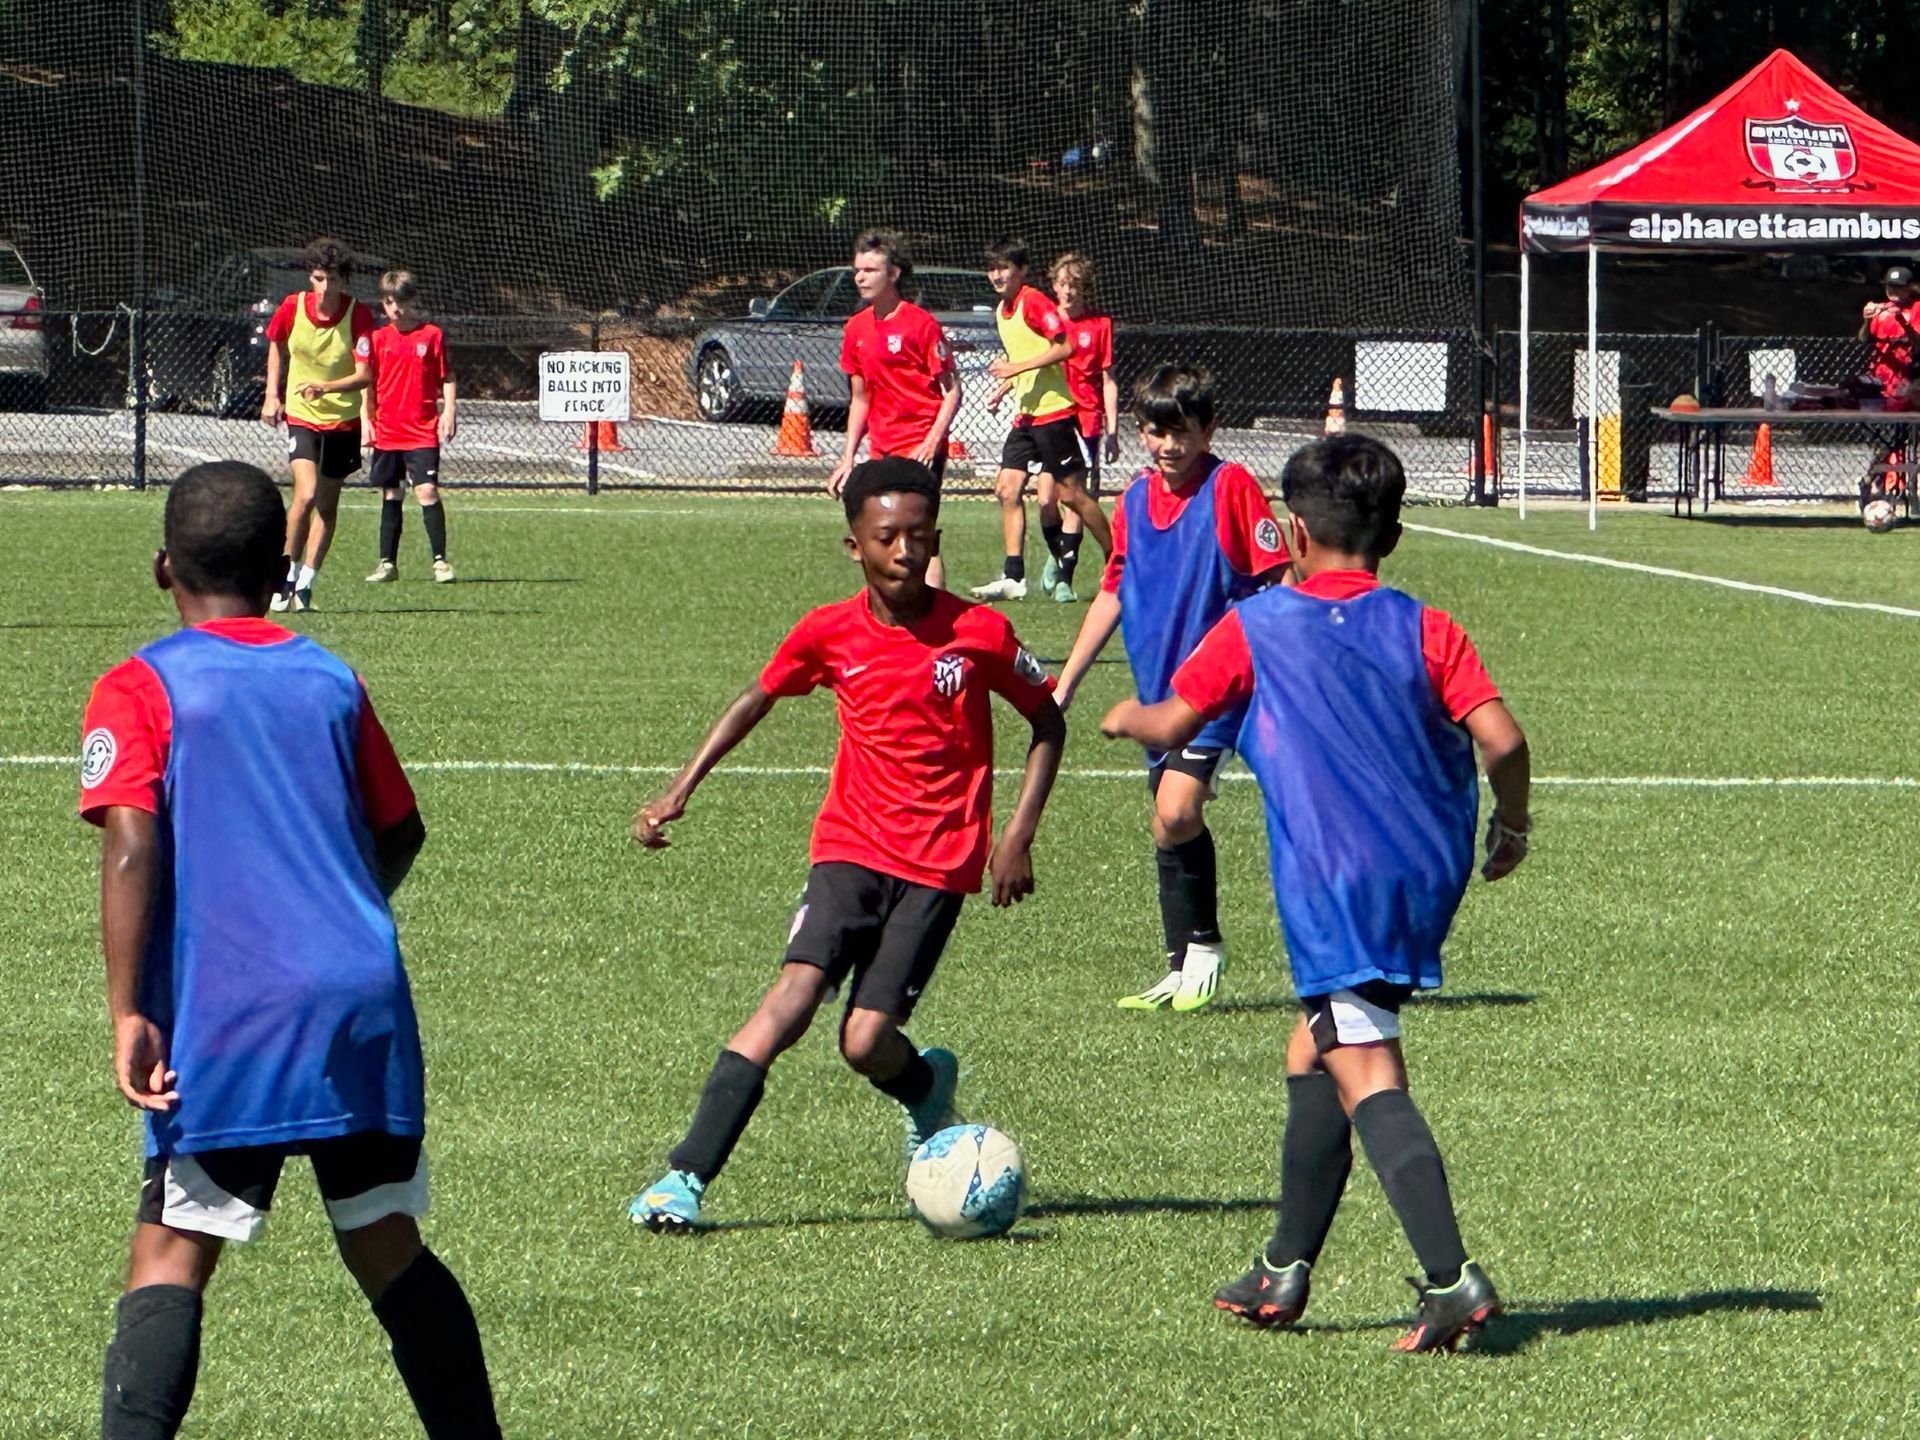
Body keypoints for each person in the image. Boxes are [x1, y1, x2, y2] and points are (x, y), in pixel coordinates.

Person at [79, 461, 500, 1438]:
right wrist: (327, 917)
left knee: (173, 1251)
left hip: (234, 1018)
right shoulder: (329, 678)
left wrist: (128, 1011)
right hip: (360, 1000)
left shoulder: (139, 686)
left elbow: (133, 841)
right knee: (387, 1244)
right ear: (280, 571)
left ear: (161, 569)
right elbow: (400, 831)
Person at [1100, 434, 1531, 1354]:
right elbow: (1503, 742)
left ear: (1292, 533)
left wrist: (1121, 715)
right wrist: (1514, 827)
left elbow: (1173, 720)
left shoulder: (1258, 625)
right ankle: (1284, 1266)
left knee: (1367, 1070)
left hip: (1337, 885)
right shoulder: (1429, 626)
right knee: (1315, 1053)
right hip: (1427, 877)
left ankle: (1455, 1280)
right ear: (1396, 533)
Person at [627, 456, 1065, 1232]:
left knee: (864, 1043)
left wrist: (1017, 833)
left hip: (939, 864)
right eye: (887, 536)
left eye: (920, 537)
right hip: (850, 846)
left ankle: (925, 1086)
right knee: (789, 1000)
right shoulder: (829, 633)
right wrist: (679, 788)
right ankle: (682, 1180)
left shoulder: (978, 632)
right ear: (853, 546)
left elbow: (1047, 721)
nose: (905, 551)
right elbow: (757, 698)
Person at [1054, 365, 1290, 1011]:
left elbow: (1277, 579)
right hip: (1160, 691)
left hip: (1217, 689)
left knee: (1179, 809)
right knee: (1165, 824)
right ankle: (1179, 964)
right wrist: (1068, 682)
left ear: (1208, 431)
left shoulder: (1231, 485)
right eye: (1157, 433)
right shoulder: (1132, 500)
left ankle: (1207, 948)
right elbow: (1113, 589)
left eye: (1182, 432)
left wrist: (1279, 664)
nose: (1169, 446)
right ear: (1140, 434)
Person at [301, 269, 459, 584]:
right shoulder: (374, 339)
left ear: (413, 300)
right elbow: (366, 384)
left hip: (422, 429)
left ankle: (440, 561)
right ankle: (387, 563)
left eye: (401, 301)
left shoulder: (431, 335)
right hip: (388, 430)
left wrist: (449, 411)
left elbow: (448, 377)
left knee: (426, 491)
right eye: (389, 302)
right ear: (383, 304)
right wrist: (366, 420)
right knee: (391, 494)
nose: (396, 308)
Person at [826, 229, 962, 590]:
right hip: (882, 448)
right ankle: (893, 614)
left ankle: (933, 618)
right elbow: (860, 399)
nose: (860, 276)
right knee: (878, 530)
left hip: (919, 445)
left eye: (870, 269)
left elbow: (951, 392)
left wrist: (932, 442)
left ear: (893, 274)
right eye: (858, 269)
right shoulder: (856, 328)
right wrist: (847, 457)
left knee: (917, 531)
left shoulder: (921, 324)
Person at [261, 237, 376, 613]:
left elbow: (363, 375)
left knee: (326, 506)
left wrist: (325, 387)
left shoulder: (358, 315)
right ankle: (284, 578)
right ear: (310, 276)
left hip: (342, 420)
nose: (325, 288)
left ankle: (306, 584)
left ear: (345, 281)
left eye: (332, 280)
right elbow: (276, 343)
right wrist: (272, 395)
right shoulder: (292, 307)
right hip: (301, 414)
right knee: (305, 494)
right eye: (318, 278)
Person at [970, 239, 1085, 602]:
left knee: (1063, 498)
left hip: (1055, 413)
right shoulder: (1001, 311)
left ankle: (1076, 566)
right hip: (1027, 414)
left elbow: (1064, 346)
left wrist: (1015, 369)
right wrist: (1005, 387)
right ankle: (1013, 575)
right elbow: (1027, 355)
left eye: (1004, 267)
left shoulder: (1033, 301)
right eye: (992, 268)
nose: (997, 275)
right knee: (1007, 488)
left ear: (1021, 271)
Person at [1041, 251, 1119, 604]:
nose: (1067, 292)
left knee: (1076, 497)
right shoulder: (1045, 322)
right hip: (1049, 416)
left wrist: (1112, 429)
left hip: (1085, 419)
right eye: (1061, 284)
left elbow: (1107, 380)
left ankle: (1064, 578)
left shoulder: (1100, 324)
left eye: (1074, 285)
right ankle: (1055, 552)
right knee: (1045, 498)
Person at [1858, 263, 1919, 501]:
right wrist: (1866, 319)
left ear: (1909, 288)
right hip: (1879, 380)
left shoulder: (1916, 309)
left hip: (1906, 380)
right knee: (1884, 437)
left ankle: (1876, 482)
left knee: (1897, 436)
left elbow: (1917, 342)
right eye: (1889, 287)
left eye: (1898, 288)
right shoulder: (1881, 309)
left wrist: (1901, 321)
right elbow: (1864, 338)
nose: (1892, 292)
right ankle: (1876, 483)